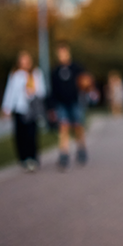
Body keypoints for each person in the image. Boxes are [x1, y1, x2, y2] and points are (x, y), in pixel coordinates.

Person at [1, 51, 46, 172]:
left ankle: (33, 157)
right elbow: (10, 92)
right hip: (19, 109)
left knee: (31, 134)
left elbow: (42, 91)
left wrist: (33, 91)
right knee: (20, 135)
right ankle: (24, 158)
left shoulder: (36, 74)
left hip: (31, 109)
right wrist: (6, 108)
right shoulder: (15, 75)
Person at [50, 41, 87, 170]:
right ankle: (64, 153)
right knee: (64, 127)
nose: (62, 55)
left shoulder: (76, 67)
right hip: (61, 103)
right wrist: (51, 107)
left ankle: (81, 148)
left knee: (78, 126)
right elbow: (53, 90)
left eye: (64, 52)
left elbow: (85, 81)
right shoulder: (55, 71)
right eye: (60, 53)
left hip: (75, 101)